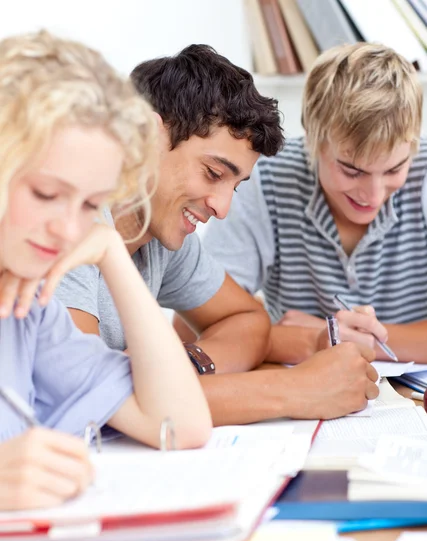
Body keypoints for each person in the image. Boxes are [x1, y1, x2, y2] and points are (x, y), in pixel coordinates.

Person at [57, 44, 378, 426]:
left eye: (236, 186)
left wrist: (187, 366)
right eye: (213, 173)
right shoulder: (68, 218)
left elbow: (248, 320)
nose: (222, 208)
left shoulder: (162, 240)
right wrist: (294, 390)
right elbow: (87, 390)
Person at [0, 30, 212, 511]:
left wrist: (110, 251)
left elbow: (180, 425)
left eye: (90, 204)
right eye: (46, 194)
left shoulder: (26, 307)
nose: (67, 229)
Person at [199, 42, 427, 365]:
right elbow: (196, 323)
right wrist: (315, 339)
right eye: (352, 169)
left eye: (394, 169)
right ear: (313, 141)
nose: (374, 195)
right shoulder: (264, 178)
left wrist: (335, 338)